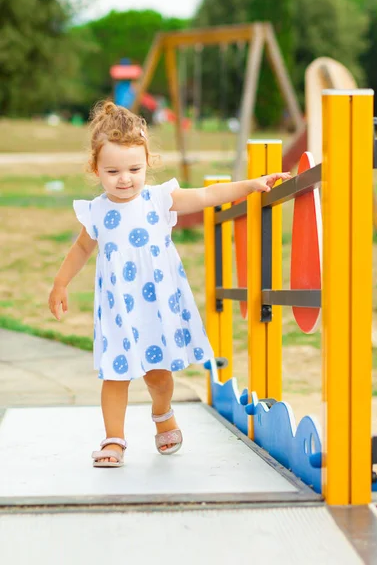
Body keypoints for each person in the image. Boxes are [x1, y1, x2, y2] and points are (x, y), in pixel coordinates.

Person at [48, 101, 291, 467]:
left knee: (158, 376)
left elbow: (208, 197)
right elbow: (83, 247)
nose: (124, 178)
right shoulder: (97, 211)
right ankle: (114, 440)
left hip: (156, 306)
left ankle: (163, 416)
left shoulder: (158, 200)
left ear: (148, 163)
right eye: (112, 170)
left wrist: (252, 185)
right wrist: (60, 283)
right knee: (116, 374)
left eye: (134, 168)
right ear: (95, 168)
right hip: (118, 311)